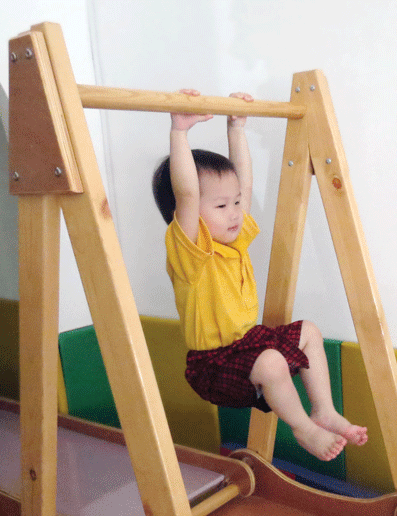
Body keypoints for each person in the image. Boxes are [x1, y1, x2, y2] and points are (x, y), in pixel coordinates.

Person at [152, 89, 367, 461]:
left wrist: (236, 129)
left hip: (248, 345)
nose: (235, 212)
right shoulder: (191, 255)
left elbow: (244, 185)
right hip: (214, 367)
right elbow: (187, 194)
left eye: (234, 203)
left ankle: (323, 410)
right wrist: (179, 132)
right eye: (221, 205)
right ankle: (304, 429)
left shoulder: (233, 243)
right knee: (272, 361)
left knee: (309, 332)